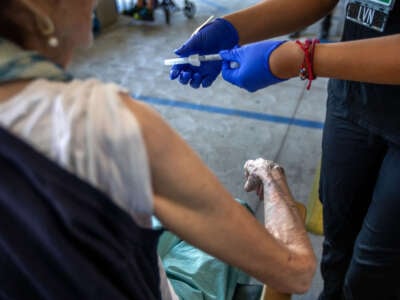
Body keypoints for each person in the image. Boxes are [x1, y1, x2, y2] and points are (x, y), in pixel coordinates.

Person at [0, 0, 316, 298]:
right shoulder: (97, 124)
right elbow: (296, 273)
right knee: (234, 219)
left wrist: (232, 27)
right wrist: (271, 178)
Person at [169, 1, 400, 299]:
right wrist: (231, 29)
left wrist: (299, 58)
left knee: (376, 269)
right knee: (338, 240)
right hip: (354, 96)